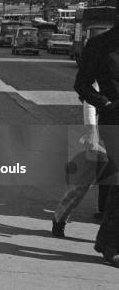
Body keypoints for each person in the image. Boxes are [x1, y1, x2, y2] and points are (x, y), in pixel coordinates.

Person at [74, 14, 119, 267]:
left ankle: (106, 239)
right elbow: (81, 85)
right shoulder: (99, 45)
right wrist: (106, 104)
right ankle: (110, 242)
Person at [51, 93, 111, 238]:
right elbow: (89, 102)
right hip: (100, 135)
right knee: (83, 183)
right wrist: (91, 132)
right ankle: (60, 216)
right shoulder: (103, 71)